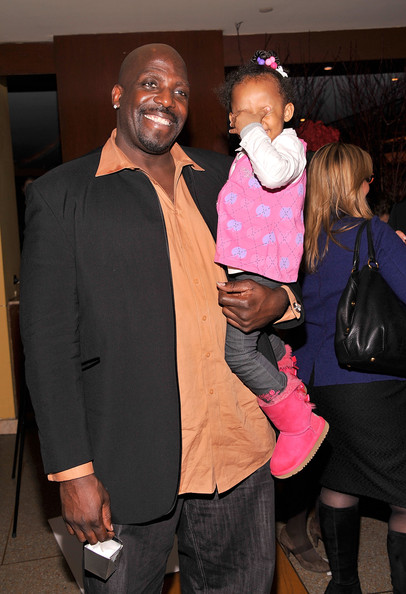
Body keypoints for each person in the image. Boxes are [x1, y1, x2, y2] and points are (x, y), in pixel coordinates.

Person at [19, 43, 305, 593]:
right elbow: (49, 347)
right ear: (118, 95)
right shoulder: (62, 197)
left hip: (238, 454)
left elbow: (285, 259)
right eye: (151, 84)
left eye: (179, 91)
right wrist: (73, 473)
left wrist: (281, 303)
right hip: (127, 464)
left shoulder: (230, 176)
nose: (166, 99)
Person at [296, 142, 406, 593]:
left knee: (340, 477)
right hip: (371, 383)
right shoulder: (373, 235)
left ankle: (343, 586)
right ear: (356, 185)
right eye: (367, 178)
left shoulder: (301, 241)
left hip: (315, 386)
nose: (370, 184)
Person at [214, 50, 328, 480]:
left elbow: (275, 175)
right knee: (261, 340)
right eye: (244, 114)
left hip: (265, 266)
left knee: (238, 354)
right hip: (248, 266)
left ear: (288, 112)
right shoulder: (243, 159)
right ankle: (283, 365)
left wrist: (251, 130)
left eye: (266, 112)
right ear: (230, 122)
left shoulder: (288, 150)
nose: (256, 122)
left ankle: (297, 422)